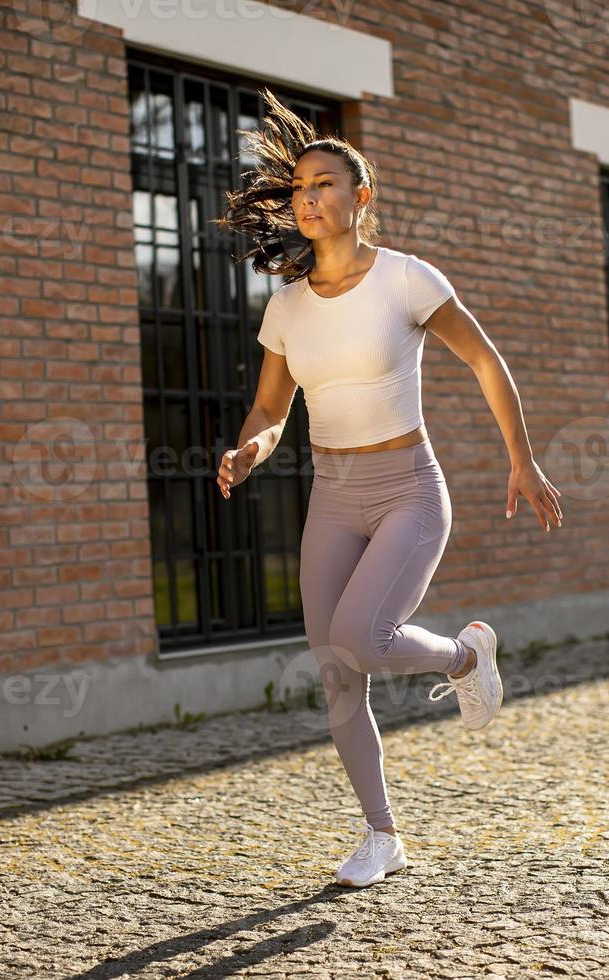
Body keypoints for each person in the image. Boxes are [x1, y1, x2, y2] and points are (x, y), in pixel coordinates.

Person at [211, 88, 564, 888]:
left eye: (325, 183)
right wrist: (251, 451)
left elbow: (483, 358)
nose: (309, 196)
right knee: (337, 668)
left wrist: (522, 457)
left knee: (364, 636)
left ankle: (465, 658)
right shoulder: (288, 308)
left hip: (407, 485)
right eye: (299, 186)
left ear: (360, 197)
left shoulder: (405, 279)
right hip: (331, 494)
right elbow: (271, 408)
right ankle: (382, 836)